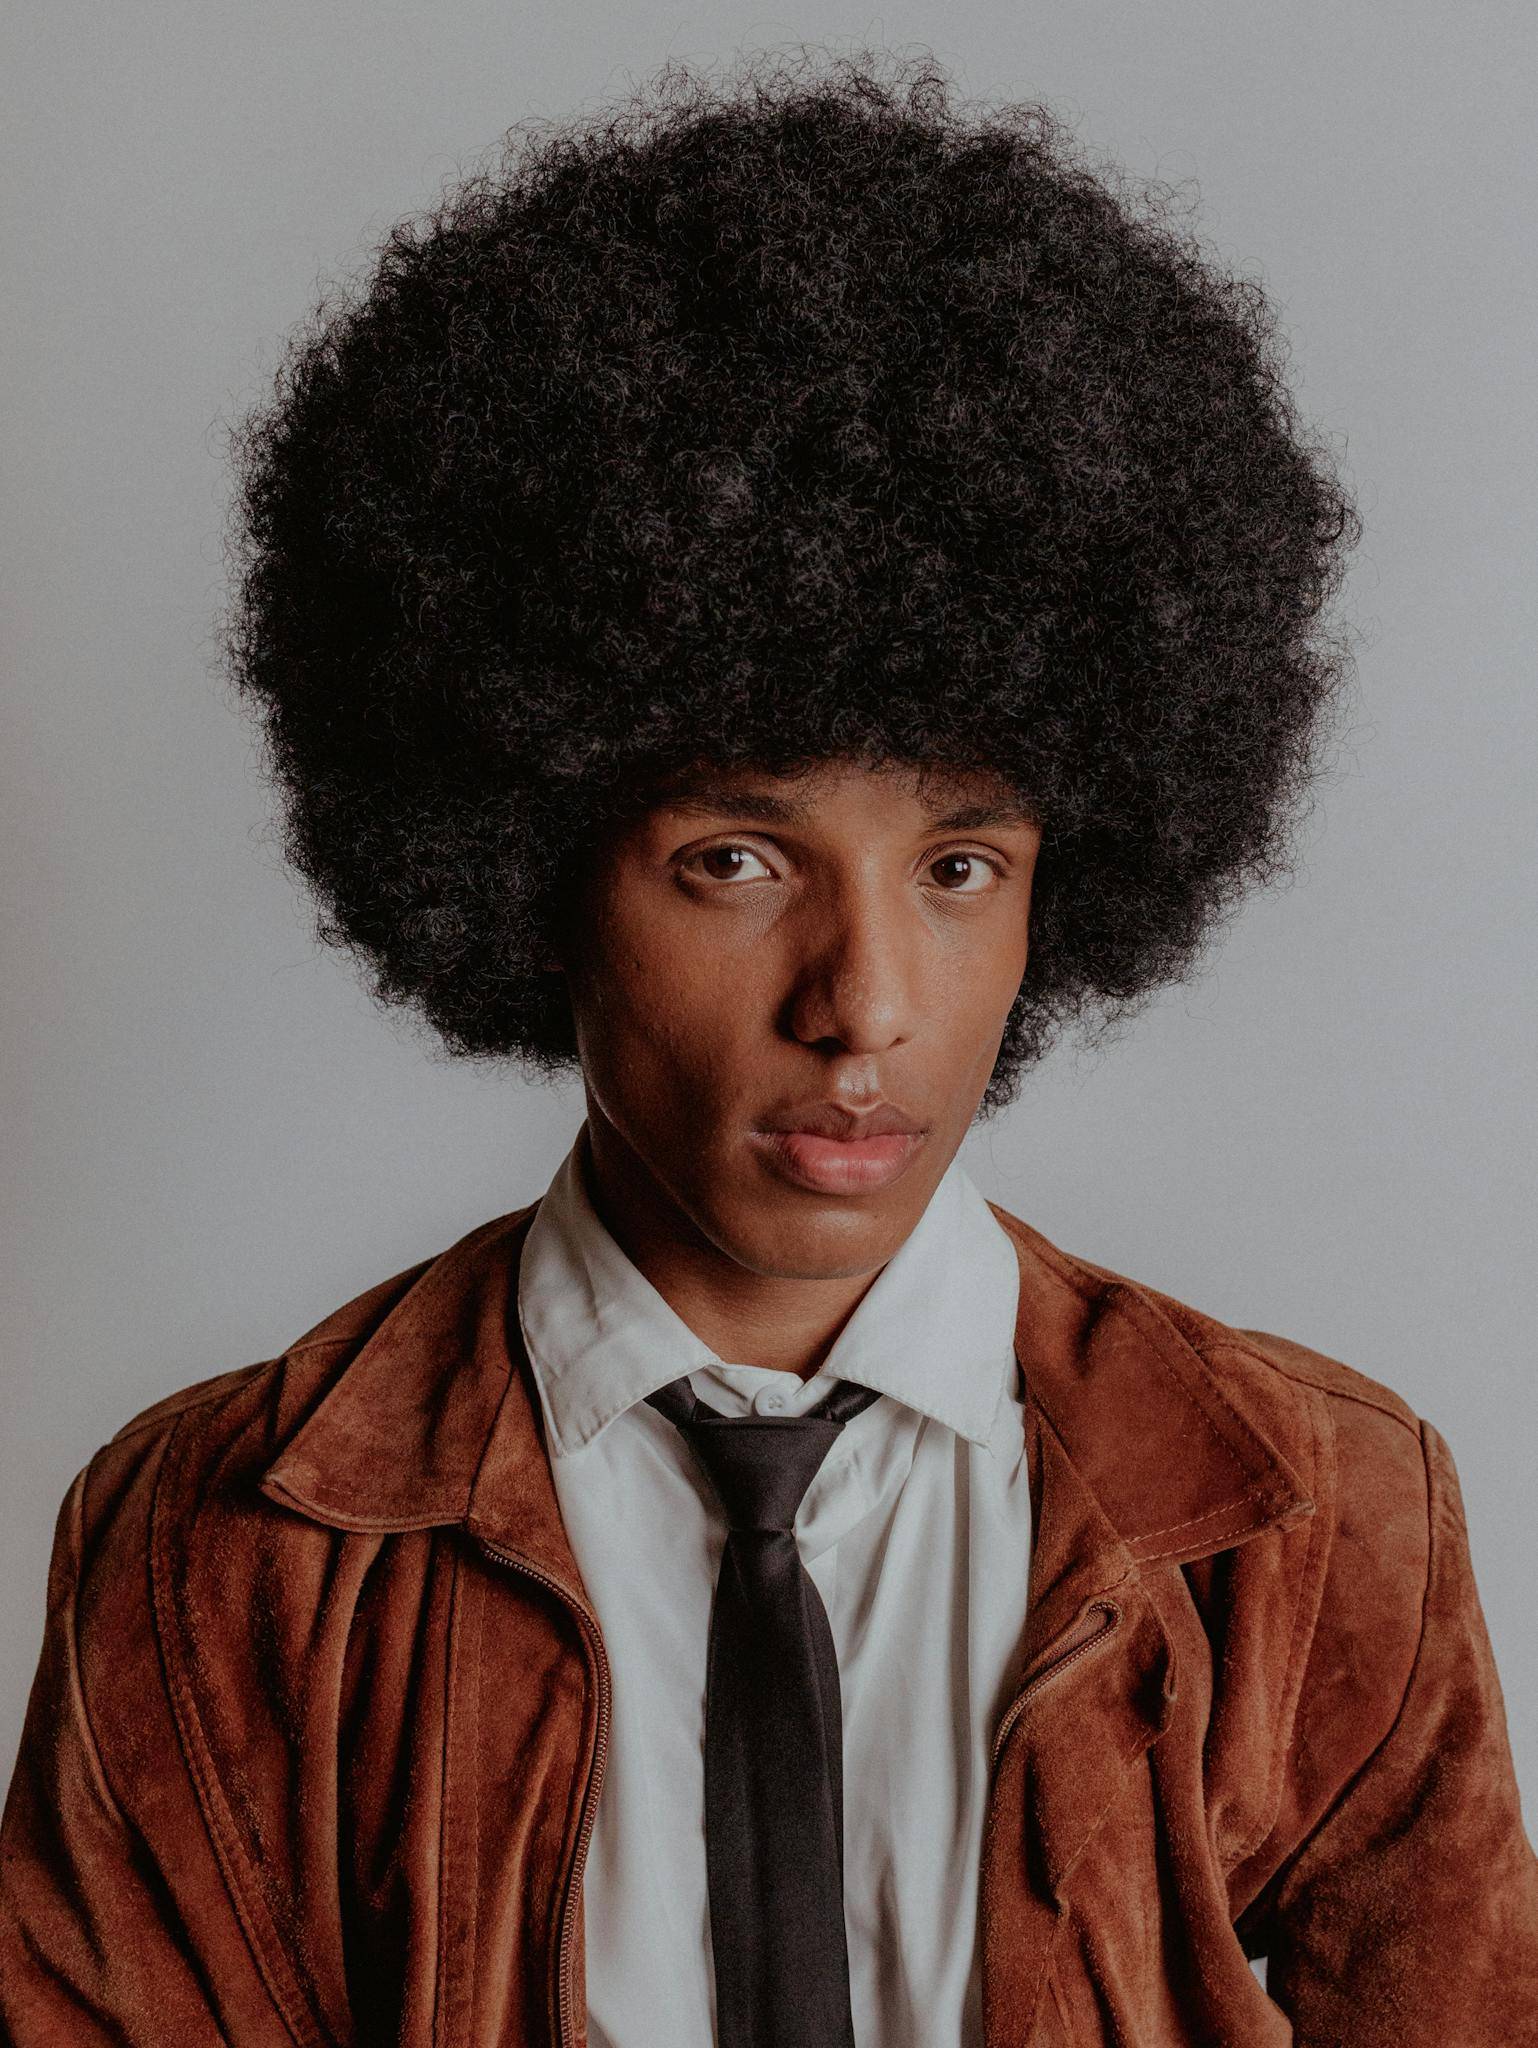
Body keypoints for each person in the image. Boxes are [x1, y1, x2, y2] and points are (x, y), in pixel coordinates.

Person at [2, 47, 1534, 2048]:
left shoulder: (1317, 1520)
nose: (868, 1000)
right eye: (735, 856)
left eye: (963, 863)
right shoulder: (226, 1539)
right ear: (525, 856)